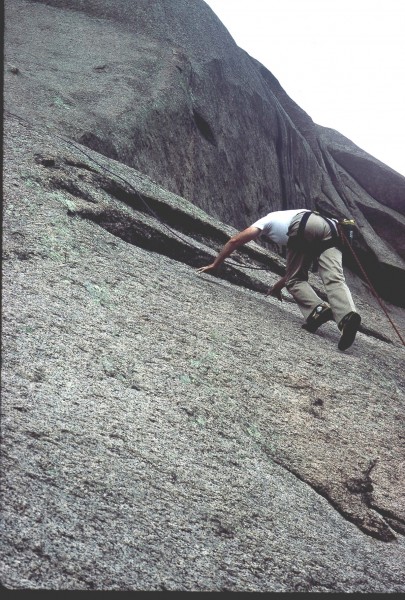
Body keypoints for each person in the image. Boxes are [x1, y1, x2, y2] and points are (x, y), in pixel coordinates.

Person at [197, 208, 361, 351]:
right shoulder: (286, 216)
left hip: (304, 224)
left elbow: (235, 240)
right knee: (335, 278)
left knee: (295, 281)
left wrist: (216, 263)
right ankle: (346, 317)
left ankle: (317, 310)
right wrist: (277, 287)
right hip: (331, 228)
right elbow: (293, 271)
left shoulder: (265, 221)